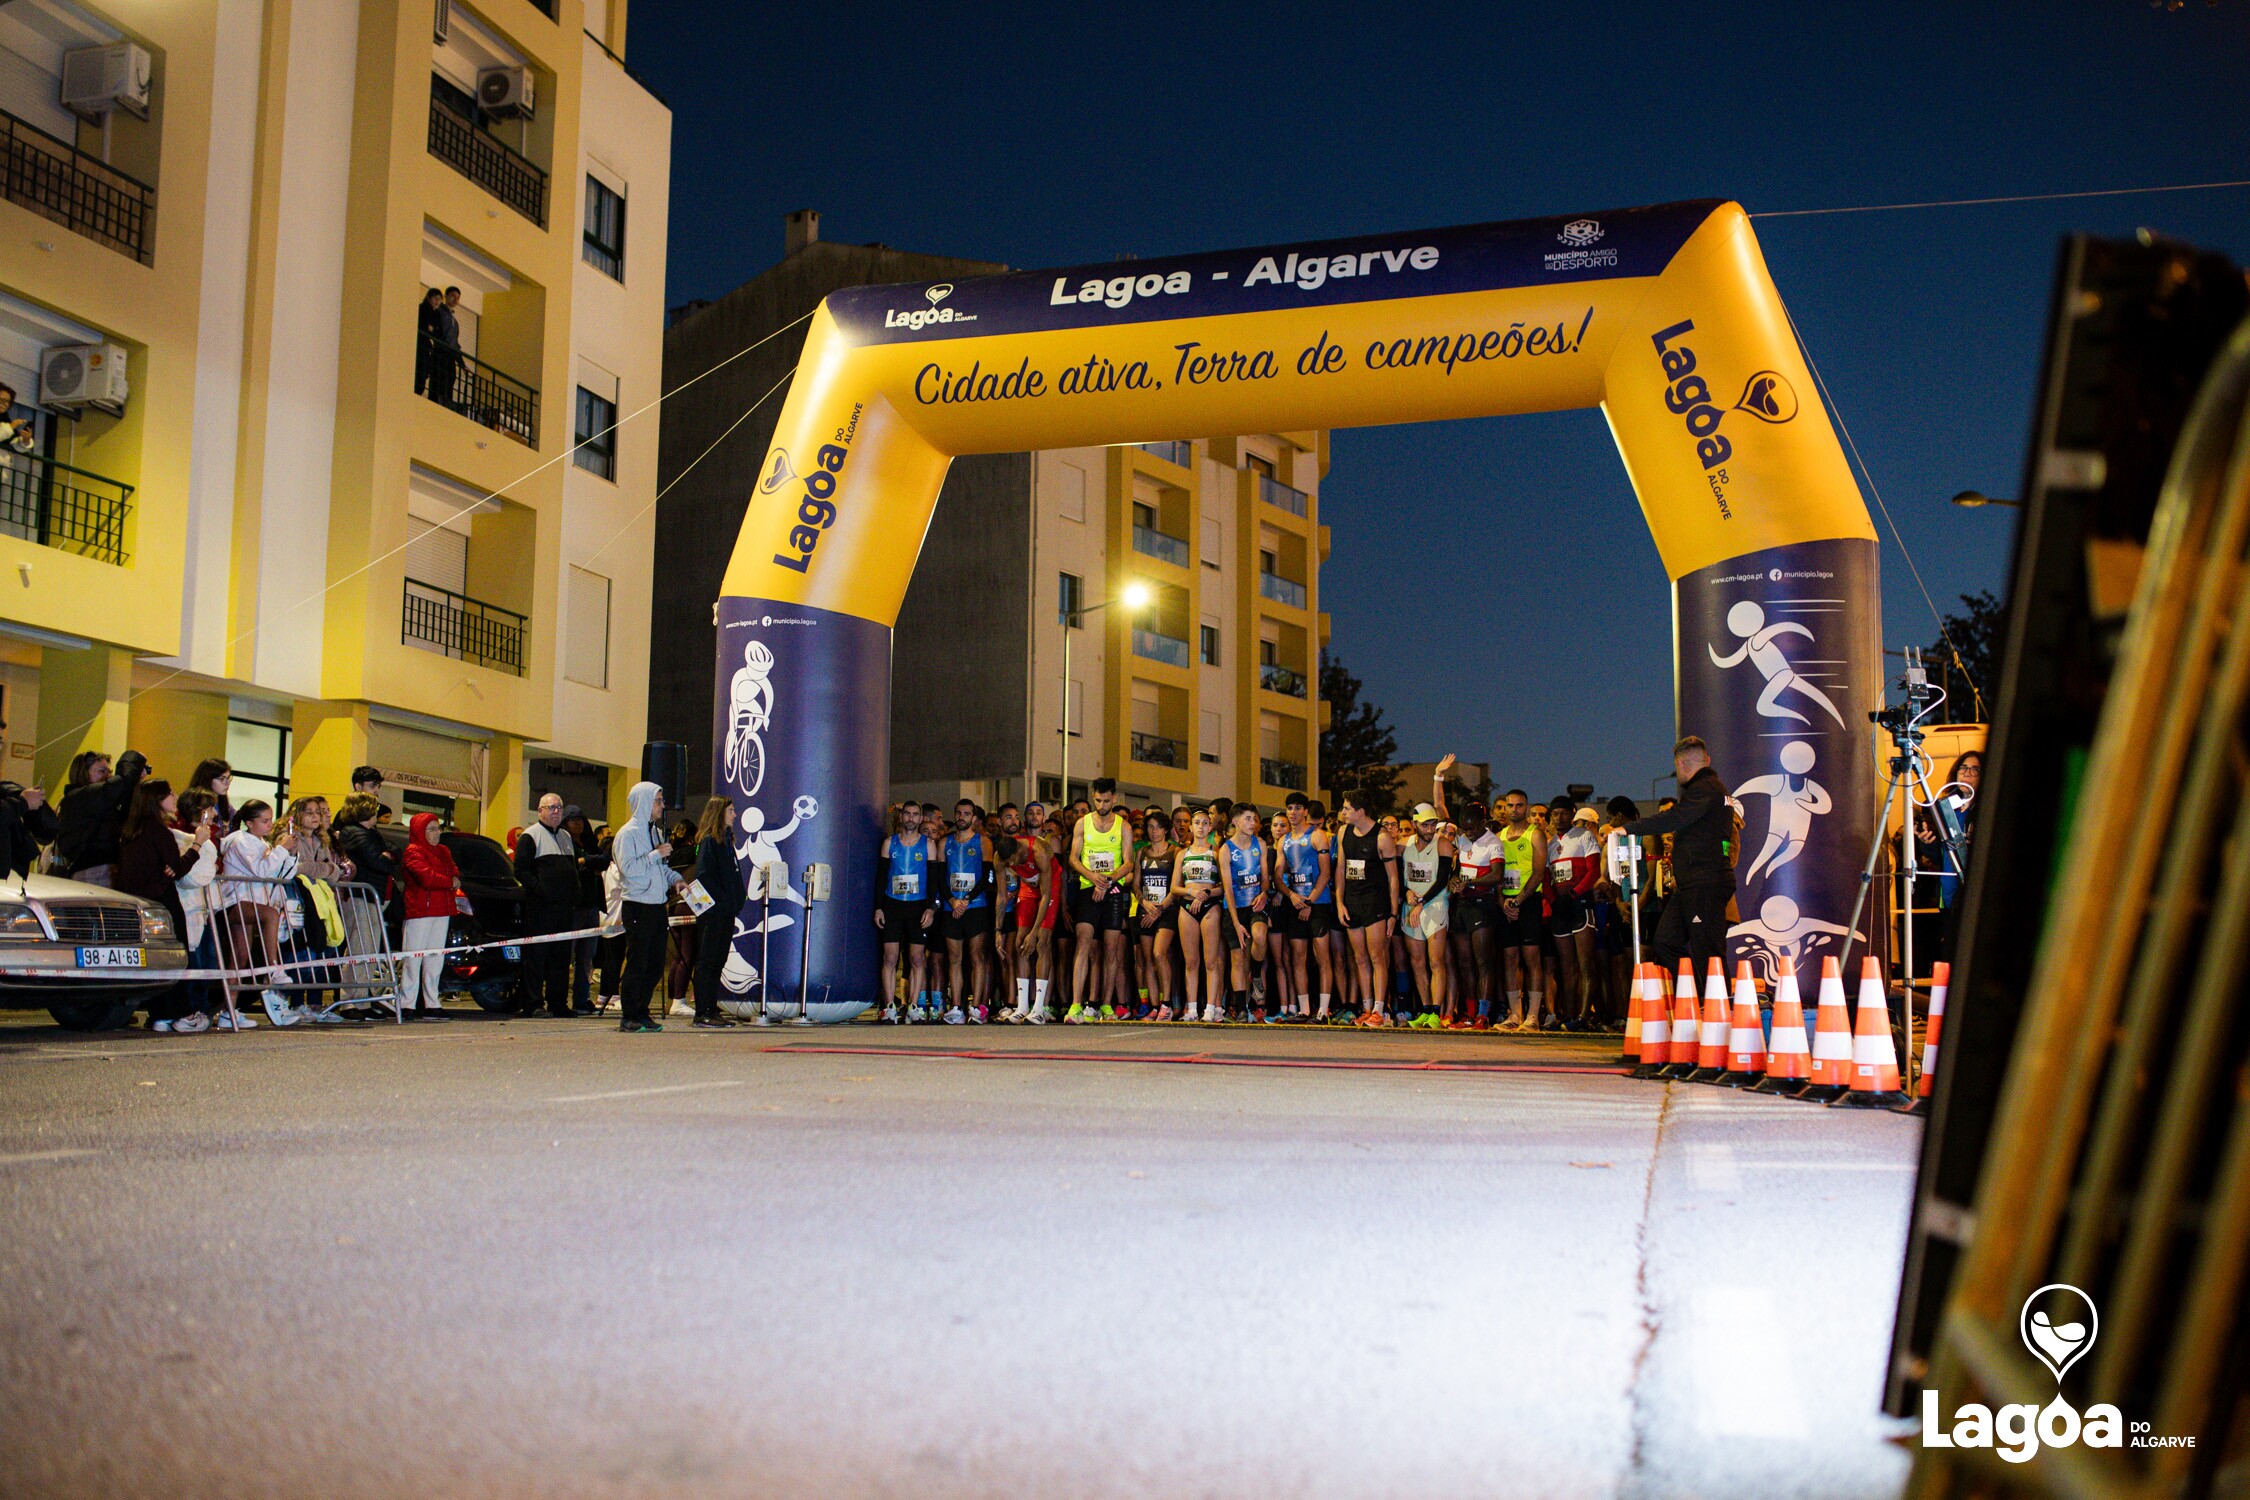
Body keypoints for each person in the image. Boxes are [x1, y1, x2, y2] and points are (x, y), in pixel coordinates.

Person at [1622, 737, 1737, 978]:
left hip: (1704, 883)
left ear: (1681, 765)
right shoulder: (1709, 790)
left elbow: (1674, 818)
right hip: (1690, 885)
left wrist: (1629, 828)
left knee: (1708, 952)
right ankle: (1694, 995)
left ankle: (1717, 1009)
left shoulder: (1706, 789)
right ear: (1707, 760)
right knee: (1665, 942)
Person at [116, 779, 205, 1033]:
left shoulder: (130, 831)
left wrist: (170, 867)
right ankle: (180, 1013)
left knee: (155, 959)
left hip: (139, 902)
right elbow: (175, 869)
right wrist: (197, 843)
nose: (175, 797)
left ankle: (159, 1015)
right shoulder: (159, 831)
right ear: (157, 800)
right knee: (176, 956)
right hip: (163, 901)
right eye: (170, 793)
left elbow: (168, 868)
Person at [612, 781, 680, 1032]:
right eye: (658, 801)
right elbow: (628, 869)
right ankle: (628, 1016)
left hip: (656, 905)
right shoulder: (627, 834)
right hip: (638, 905)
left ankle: (642, 1012)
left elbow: (660, 869)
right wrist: (655, 855)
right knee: (637, 963)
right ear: (643, 802)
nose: (662, 806)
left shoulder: (654, 833)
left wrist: (676, 880)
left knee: (654, 965)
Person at [1066, 778, 1134, 1023]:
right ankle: (1075, 1005)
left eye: (1106, 800)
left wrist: (1107, 882)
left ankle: (1106, 1004)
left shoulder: (1124, 826)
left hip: (1112, 891)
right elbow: (1073, 858)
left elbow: (1128, 863)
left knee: (1111, 951)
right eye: (1097, 800)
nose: (1102, 805)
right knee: (1083, 944)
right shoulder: (1083, 823)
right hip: (1088, 889)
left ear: (1114, 798)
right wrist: (1093, 877)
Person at [514, 792, 583, 1019]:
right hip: (540, 909)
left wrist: (575, 894)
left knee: (561, 959)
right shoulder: (530, 836)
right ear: (540, 810)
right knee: (536, 958)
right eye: (551, 807)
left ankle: (558, 1004)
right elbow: (521, 870)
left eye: (559, 808)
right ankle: (533, 1004)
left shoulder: (565, 836)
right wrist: (539, 891)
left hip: (564, 910)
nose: (556, 812)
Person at [1334, 790, 1399, 1027]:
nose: (1343, 812)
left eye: (1347, 808)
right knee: (1359, 957)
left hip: (1376, 902)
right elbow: (1340, 868)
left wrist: (1393, 913)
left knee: (1377, 956)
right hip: (1352, 901)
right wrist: (1340, 902)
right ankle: (1366, 1007)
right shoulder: (1343, 832)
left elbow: (1393, 878)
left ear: (1360, 811)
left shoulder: (1382, 837)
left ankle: (1380, 1011)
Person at [1443, 778, 1503, 1030]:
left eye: (1473, 828)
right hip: (1463, 907)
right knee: (1464, 962)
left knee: (1482, 962)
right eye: (1465, 829)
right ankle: (1468, 1013)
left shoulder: (1493, 842)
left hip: (1483, 904)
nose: (1468, 833)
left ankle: (1483, 1014)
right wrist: (1455, 881)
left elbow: (1497, 874)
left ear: (1483, 823)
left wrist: (1470, 883)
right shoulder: (1462, 839)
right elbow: (1440, 811)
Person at [1490, 788, 1548, 1030]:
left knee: (1532, 958)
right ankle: (1515, 1015)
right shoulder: (1499, 837)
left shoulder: (1536, 834)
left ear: (1527, 806)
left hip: (1529, 902)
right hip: (1506, 903)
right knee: (1509, 958)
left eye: (1519, 805)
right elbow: (1496, 873)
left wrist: (1520, 900)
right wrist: (1503, 900)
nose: (1514, 810)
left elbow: (1538, 871)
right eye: (1509, 806)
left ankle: (1532, 1016)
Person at [1275, 791, 1335, 1021]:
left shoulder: (1317, 836)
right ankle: (1304, 1009)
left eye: (1298, 808)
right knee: (1297, 958)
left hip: (1317, 903)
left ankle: (1323, 1010)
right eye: (1290, 808)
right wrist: (1291, 895)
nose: (1293, 812)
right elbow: (1278, 876)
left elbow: (1326, 874)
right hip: (1295, 902)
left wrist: (1309, 901)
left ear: (1306, 811)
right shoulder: (1284, 841)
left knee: (1322, 957)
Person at [876, 801, 936, 1021]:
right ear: (901, 818)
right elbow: (881, 877)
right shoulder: (889, 844)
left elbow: (933, 880)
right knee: (890, 957)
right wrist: (879, 907)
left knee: (917, 958)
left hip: (917, 906)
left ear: (920, 819)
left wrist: (931, 909)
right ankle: (890, 1006)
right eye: (907, 814)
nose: (911, 818)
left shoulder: (928, 845)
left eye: (915, 815)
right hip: (892, 904)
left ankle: (913, 1006)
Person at [1397, 802, 1455, 1028]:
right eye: (1426, 825)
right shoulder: (1403, 846)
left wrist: (1421, 902)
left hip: (1434, 905)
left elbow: (1442, 880)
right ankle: (1425, 1008)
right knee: (1417, 961)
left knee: (1435, 960)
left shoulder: (1443, 844)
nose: (1430, 830)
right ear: (1414, 824)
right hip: (1411, 906)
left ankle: (1436, 1012)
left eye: (1433, 824)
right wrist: (1407, 892)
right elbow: (1397, 878)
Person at [397, 812, 460, 1021]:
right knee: (412, 958)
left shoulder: (444, 851)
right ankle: (407, 1004)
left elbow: (454, 872)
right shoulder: (412, 851)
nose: (437, 833)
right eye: (431, 829)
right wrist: (449, 881)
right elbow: (426, 877)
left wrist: (449, 880)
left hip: (441, 910)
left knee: (435, 959)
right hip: (420, 911)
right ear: (419, 832)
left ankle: (432, 1002)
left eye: (438, 828)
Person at [688, 796, 744, 1028]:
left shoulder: (726, 842)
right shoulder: (710, 841)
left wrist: (735, 901)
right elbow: (703, 876)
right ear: (719, 812)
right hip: (714, 913)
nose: (734, 814)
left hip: (725, 911)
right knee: (707, 961)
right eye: (731, 810)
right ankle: (703, 1011)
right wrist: (722, 901)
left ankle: (711, 1008)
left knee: (718, 960)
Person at [938, 798, 996, 1023]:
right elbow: (940, 877)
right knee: (954, 958)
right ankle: (956, 1007)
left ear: (974, 818)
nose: (962, 817)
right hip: (950, 907)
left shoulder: (983, 842)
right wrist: (952, 900)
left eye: (966, 813)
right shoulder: (945, 843)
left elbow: (987, 877)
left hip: (976, 907)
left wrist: (966, 900)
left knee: (977, 957)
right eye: (958, 813)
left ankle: (976, 1007)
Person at [1547, 800, 1602, 1031]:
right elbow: (1545, 876)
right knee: (1566, 967)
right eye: (1555, 814)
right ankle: (1569, 1014)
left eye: (1563, 813)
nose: (1559, 818)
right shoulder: (1550, 844)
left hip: (1580, 905)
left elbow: (1594, 871)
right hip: (1561, 909)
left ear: (1572, 814)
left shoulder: (1584, 836)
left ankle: (1584, 1016)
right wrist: (1553, 901)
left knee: (1585, 964)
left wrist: (1574, 894)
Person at [54, 749, 144, 886]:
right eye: (102, 771)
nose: (108, 776)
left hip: (96, 868)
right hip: (93, 871)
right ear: (84, 772)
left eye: (109, 771)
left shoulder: (87, 798)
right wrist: (134, 759)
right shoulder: (83, 796)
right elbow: (120, 784)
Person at [1218, 803, 1273, 1021]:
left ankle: (1257, 972)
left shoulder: (1259, 844)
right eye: (1248, 819)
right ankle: (1240, 1007)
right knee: (1238, 959)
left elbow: (1266, 879)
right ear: (1235, 821)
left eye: (1254, 819)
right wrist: (1235, 923)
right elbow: (1228, 890)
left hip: (1255, 905)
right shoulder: (1225, 850)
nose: (1253, 823)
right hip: (1234, 909)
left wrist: (1264, 894)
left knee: (1260, 936)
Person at [1171, 807, 1225, 1022]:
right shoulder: (1182, 854)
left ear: (1210, 827)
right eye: (1197, 823)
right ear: (1191, 827)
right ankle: (1192, 1009)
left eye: (1205, 823)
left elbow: (1224, 886)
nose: (1201, 827)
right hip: (1186, 906)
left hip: (1210, 905)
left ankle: (1211, 1008)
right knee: (1190, 961)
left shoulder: (1216, 852)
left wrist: (1206, 894)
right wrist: (1192, 892)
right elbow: (1175, 888)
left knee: (1211, 960)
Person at [1134, 809, 1178, 1020]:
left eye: (1159, 827)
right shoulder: (1141, 853)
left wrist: (1159, 909)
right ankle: (1153, 1006)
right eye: (1150, 827)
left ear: (1166, 830)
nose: (1154, 832)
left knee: (1160, 954)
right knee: (1147, 959)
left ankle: (1166, 1003)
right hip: (1145, 909)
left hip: (1167, 910)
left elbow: (1176, 886)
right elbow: (1135, 884)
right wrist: (1144, 903)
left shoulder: (1175, 852)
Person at [562, 806, 604, 1014]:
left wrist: (585, 861)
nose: (577, 824)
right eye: (572, 820)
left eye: (580, 820)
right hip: (573, 906)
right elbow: (568, 867)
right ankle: (559, 999)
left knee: (586, 957)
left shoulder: (589, 843)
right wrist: (588, 863)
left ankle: (581, 999)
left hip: (591, 904)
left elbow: (604, 860)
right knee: (565, 954)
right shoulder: (563, 841)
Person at [186, 758, 235, 831]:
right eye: (222, 779)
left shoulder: (227, 807)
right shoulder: (193, 803)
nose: (227, 783)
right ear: (208, 779)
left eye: (228, 778)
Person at [415, 289, 446, 399]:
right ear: (429, 297)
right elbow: (423, 326)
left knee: (423, 375)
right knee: (419, 373)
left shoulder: (436, 314)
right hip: (420, 345)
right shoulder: (422, 309)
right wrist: (431, 329)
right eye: (436, 298)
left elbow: (438, 332)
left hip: (427, 347)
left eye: (439, 300)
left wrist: (432, 329)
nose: (437, 302)